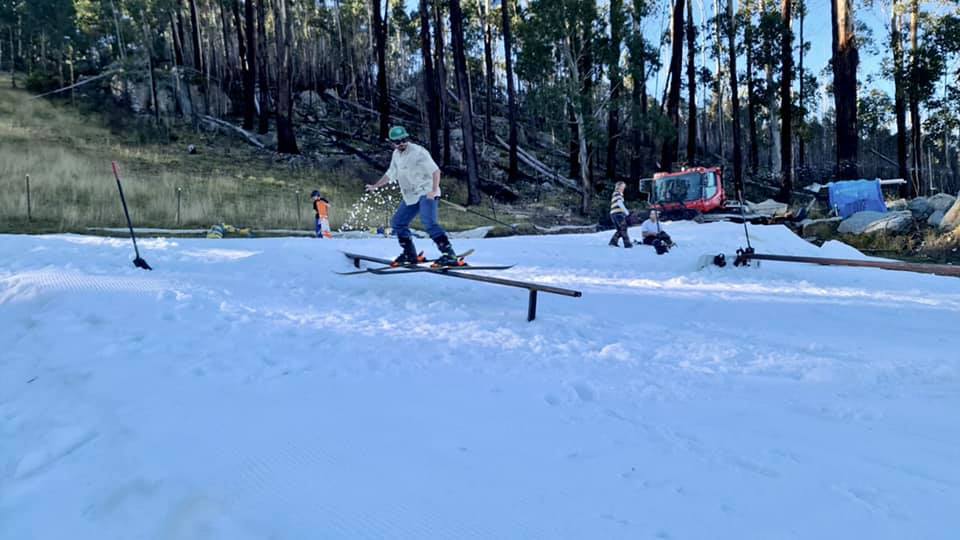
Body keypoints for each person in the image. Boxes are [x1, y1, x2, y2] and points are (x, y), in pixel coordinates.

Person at [364, 125, 461, 267]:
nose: (401, 143)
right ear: (392, 143)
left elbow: (436, 171)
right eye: (397, 142)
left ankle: (449, 254)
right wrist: (375, 186)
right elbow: (390, 173)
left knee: (428, 222)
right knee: (397, 222)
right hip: (411, 195)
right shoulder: (396, 155)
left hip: (426, 191)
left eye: (403, 140)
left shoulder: (418, 152)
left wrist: (434, 191)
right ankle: (410, 254)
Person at [608, 181, 633, 248]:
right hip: (618, 214)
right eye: (622, 186)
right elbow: (619, 203)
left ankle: (613, 242)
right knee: (623, 228)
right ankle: (627, 244)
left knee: (620, 229)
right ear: (619, 186)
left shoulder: (615, 194)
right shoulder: (618, 193)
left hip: (613, 214)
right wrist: (626, 212)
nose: (623, 188)